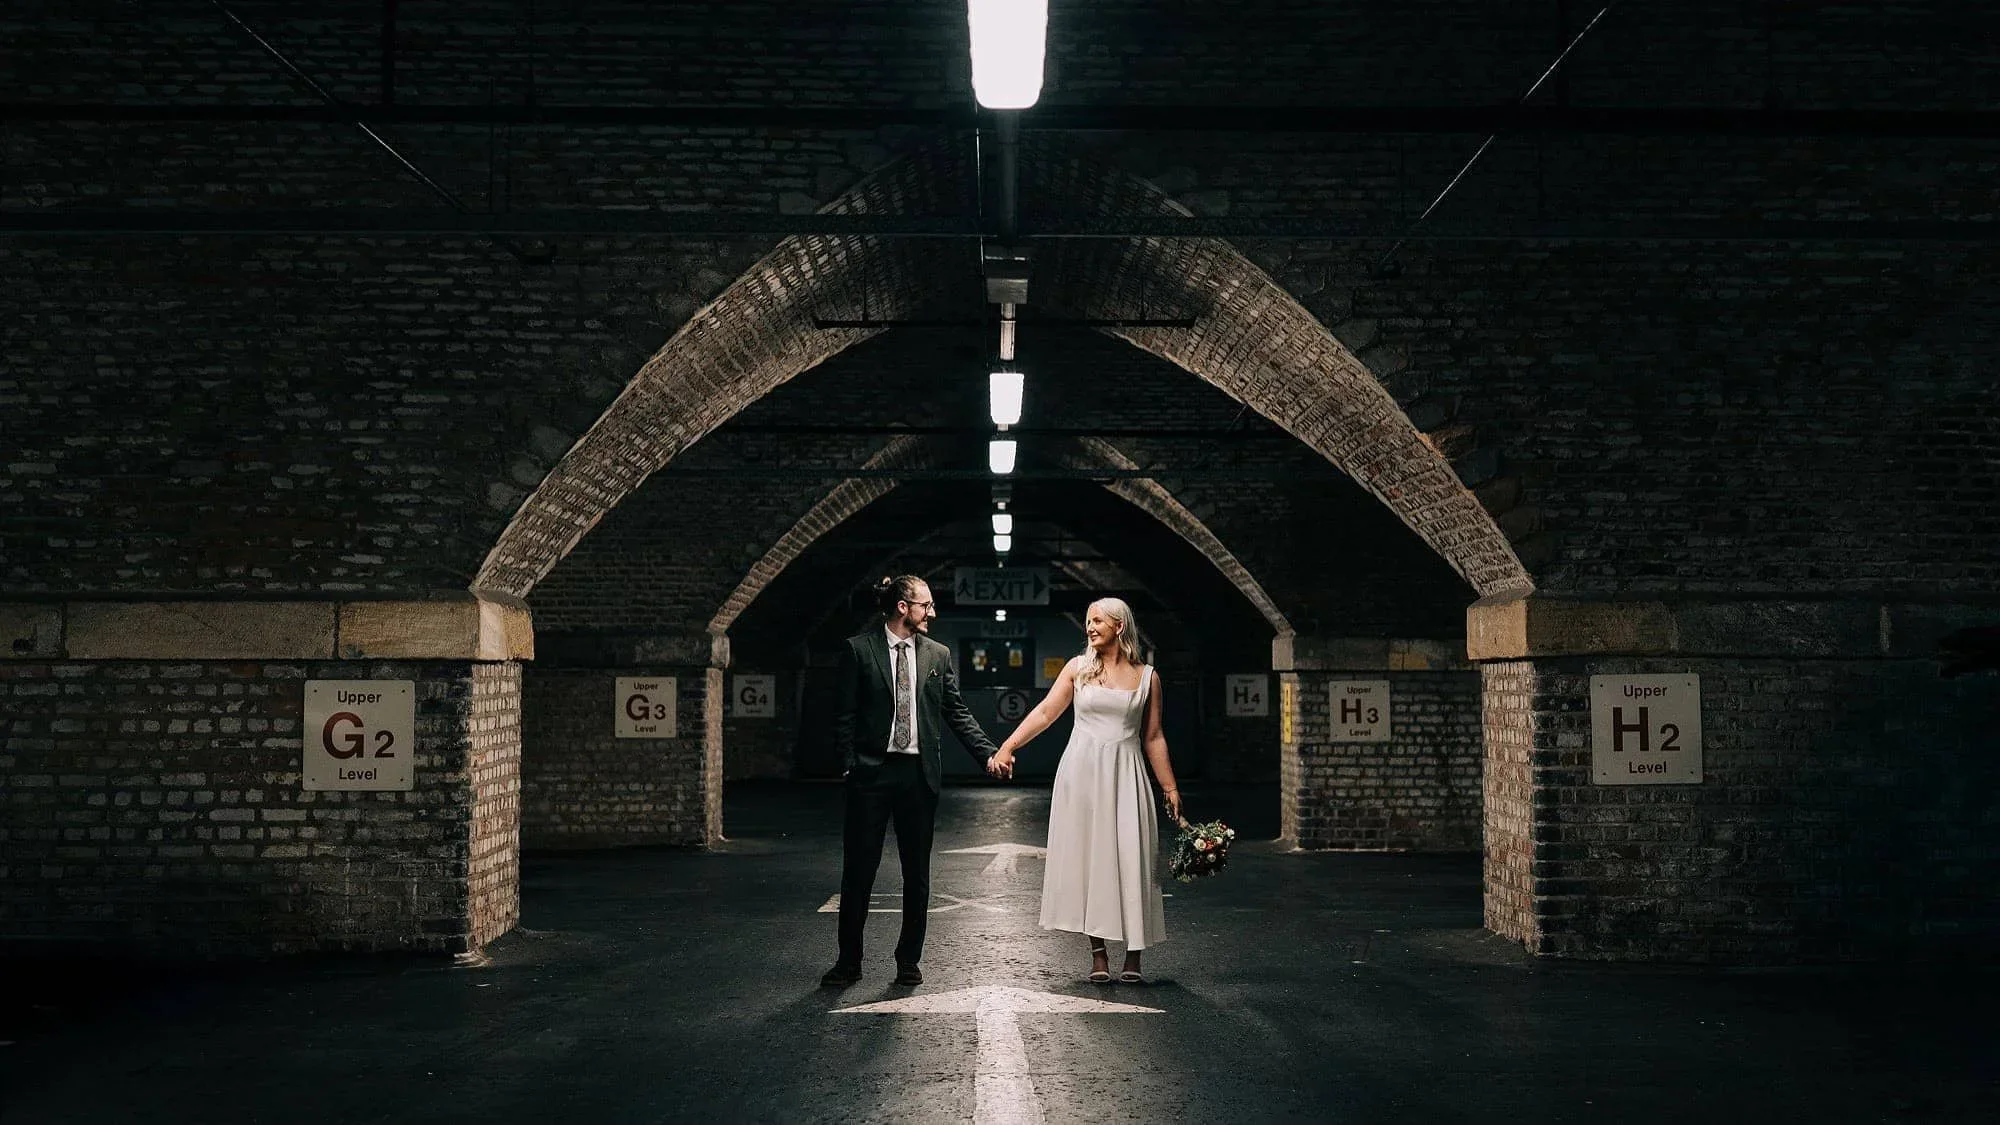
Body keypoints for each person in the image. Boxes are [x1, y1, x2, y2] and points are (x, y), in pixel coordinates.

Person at [821, 575, 1006, 988]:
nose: (932, 612)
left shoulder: (938, 655)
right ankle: (848, 963)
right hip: (871, 774)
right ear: (903, 606)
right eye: (926, 605)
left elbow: (956, 712)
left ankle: (908, 960)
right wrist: (850, 766)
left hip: (918, 777)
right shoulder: (859, 649)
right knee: (859, 873)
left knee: (916, 874)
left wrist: (988, 754)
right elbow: (844, 716)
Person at [991, 597, 1181, 984]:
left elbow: (1154, 736)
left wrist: (1170, 787)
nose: (1090, 627)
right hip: (1080, 774)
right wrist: (1008, 746)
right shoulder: (1077, 669)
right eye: (1088, 621)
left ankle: (1134, 956)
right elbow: (1046, 712)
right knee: (1092, 861)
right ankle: (1098, 955)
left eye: (1097, 621)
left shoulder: (1148, 677)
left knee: (1134, 858)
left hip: (1126, 774)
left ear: (1119, 627)